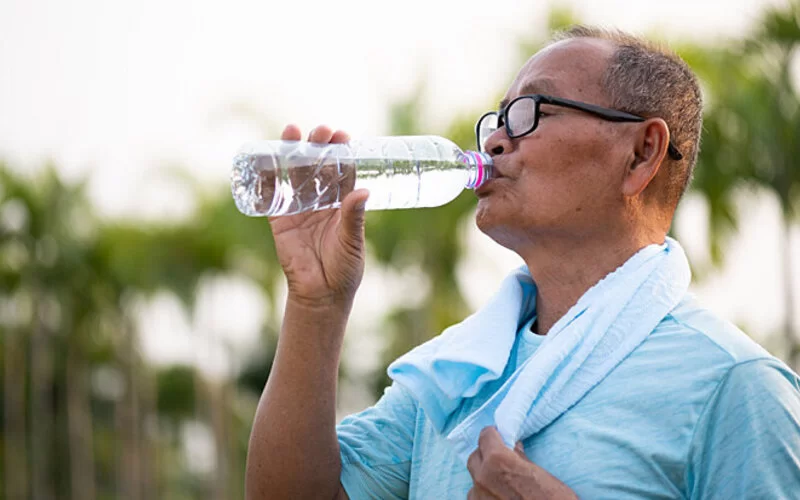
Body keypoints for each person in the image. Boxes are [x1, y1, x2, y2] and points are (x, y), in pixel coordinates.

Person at [245, 26, 800, 499]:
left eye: (531, 112)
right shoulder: (455, 378)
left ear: (641, 153)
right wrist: (315, 302)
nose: (495, 144)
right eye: (499, 119)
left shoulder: (735, 385)